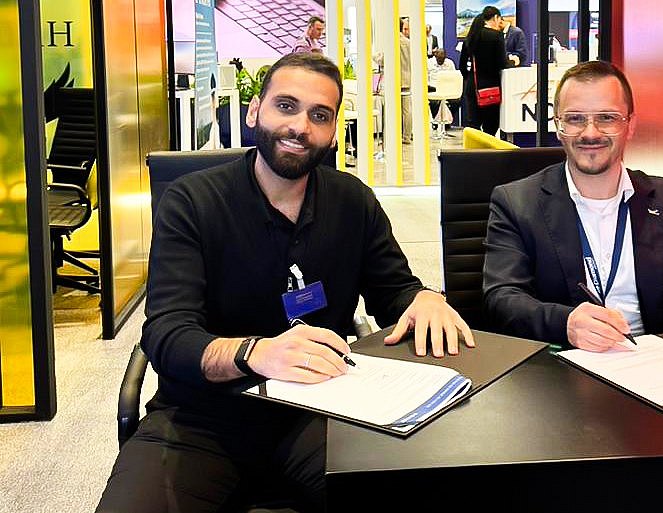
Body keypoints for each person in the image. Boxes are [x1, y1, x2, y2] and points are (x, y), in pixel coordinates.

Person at [95, 52, 474, 513]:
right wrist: (256, 353)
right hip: (202, 418)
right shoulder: (192, 202)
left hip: (324, 411)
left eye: (320, 115)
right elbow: (168, 333)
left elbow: (393, 290)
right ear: (255, 111)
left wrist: (423, 299)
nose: (300, 127)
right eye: (286, 106)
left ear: (333, 131)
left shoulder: (352, 201)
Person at [483, 60, 663, 365]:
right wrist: (565, 323)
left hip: (658, 369)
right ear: (558, 126)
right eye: (575, 119)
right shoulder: (516, 202)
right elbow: (503, 297)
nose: (590, 133)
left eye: (607, 118)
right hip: (563, 370)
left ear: (630, 125)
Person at [458, 6, 510, 135]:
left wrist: (469, 78)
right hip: (491, 87)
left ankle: (474, 148)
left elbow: (462, 66)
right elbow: (502, 63)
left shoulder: (471, 37)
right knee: (490, 126)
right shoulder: (496, 36)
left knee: (473, 125)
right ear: (496, 17)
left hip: (473, 86)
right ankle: (487, 148)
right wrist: (513, 61)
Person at [428, 47, 456, 118]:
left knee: (456, 101)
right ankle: (435, 120)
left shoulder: (450, 63)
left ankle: (448, 120)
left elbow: (454, 78)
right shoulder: (429, 63)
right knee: (434, 102)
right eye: (439, 59)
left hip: (447, 89)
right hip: (433, 89)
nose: (441, 61)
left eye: (443, 59)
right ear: (435, 56)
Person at [400, 17, 413, 144]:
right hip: (407, 79)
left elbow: (382, 59)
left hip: (395, 81)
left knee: (396, 110)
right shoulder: (408, 43)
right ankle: (407, 136)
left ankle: (398, 135)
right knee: (407, 111)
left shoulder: (393, 42)